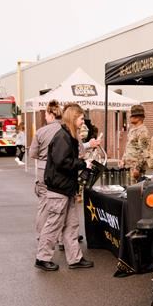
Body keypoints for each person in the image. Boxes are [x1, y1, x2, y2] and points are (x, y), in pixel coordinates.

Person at [35, 102, 93, 271]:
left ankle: (75, 259)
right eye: (82, 118)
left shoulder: (68, 136)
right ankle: (42, 258)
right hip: (59, 189)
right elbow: (62, 162)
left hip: (66, 188)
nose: (83, 121)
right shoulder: (63, 137)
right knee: (54, 225)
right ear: (74, 118)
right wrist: (83, 164)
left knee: (72, 225)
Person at [29, 101, 63, 238]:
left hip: (44, 170)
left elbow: (32, 154)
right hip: (62, 171)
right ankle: (62, 238)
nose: (44, 117)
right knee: (62, 205)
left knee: (44, 204)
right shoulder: (68, 130)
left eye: (45, 114)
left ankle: (41, 235)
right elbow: (79, 150)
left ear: (51, 114)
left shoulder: (40, 132)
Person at [119, 104, 149, 183]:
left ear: (138, 117)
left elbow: (144, 152)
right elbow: (128, 146)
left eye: (132, 116)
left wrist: (137, 168)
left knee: (134, 192)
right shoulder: (132, 130)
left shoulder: (143, 131)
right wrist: (123, 160)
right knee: (128, 190)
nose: (130, 118)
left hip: (135, 169)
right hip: (128, 166)